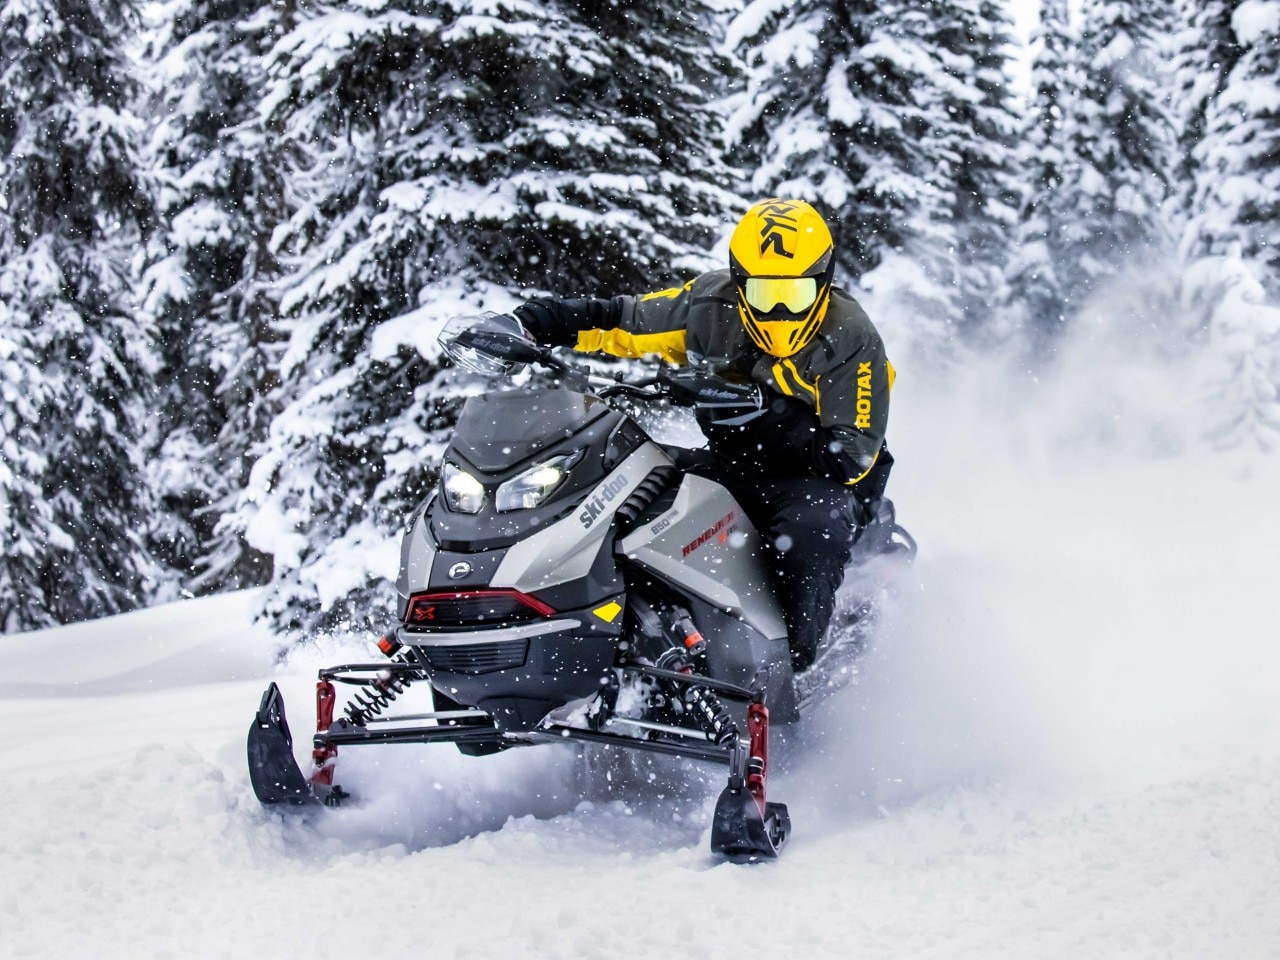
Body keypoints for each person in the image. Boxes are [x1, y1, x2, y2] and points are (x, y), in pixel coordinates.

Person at [512, 198, 896, 672]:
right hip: (734, 461)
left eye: (794, 296)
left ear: (822, 283)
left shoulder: (851, 338)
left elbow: (851, 455)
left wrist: (763, 410)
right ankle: (601, 636)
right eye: (762, 294)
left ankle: (793, 668)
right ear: (738, 284)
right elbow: (623, 320)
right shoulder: (709, 306)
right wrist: (537, 323)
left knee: (810, 532)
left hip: (822, 479)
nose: (778, 313)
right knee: (620, 482)